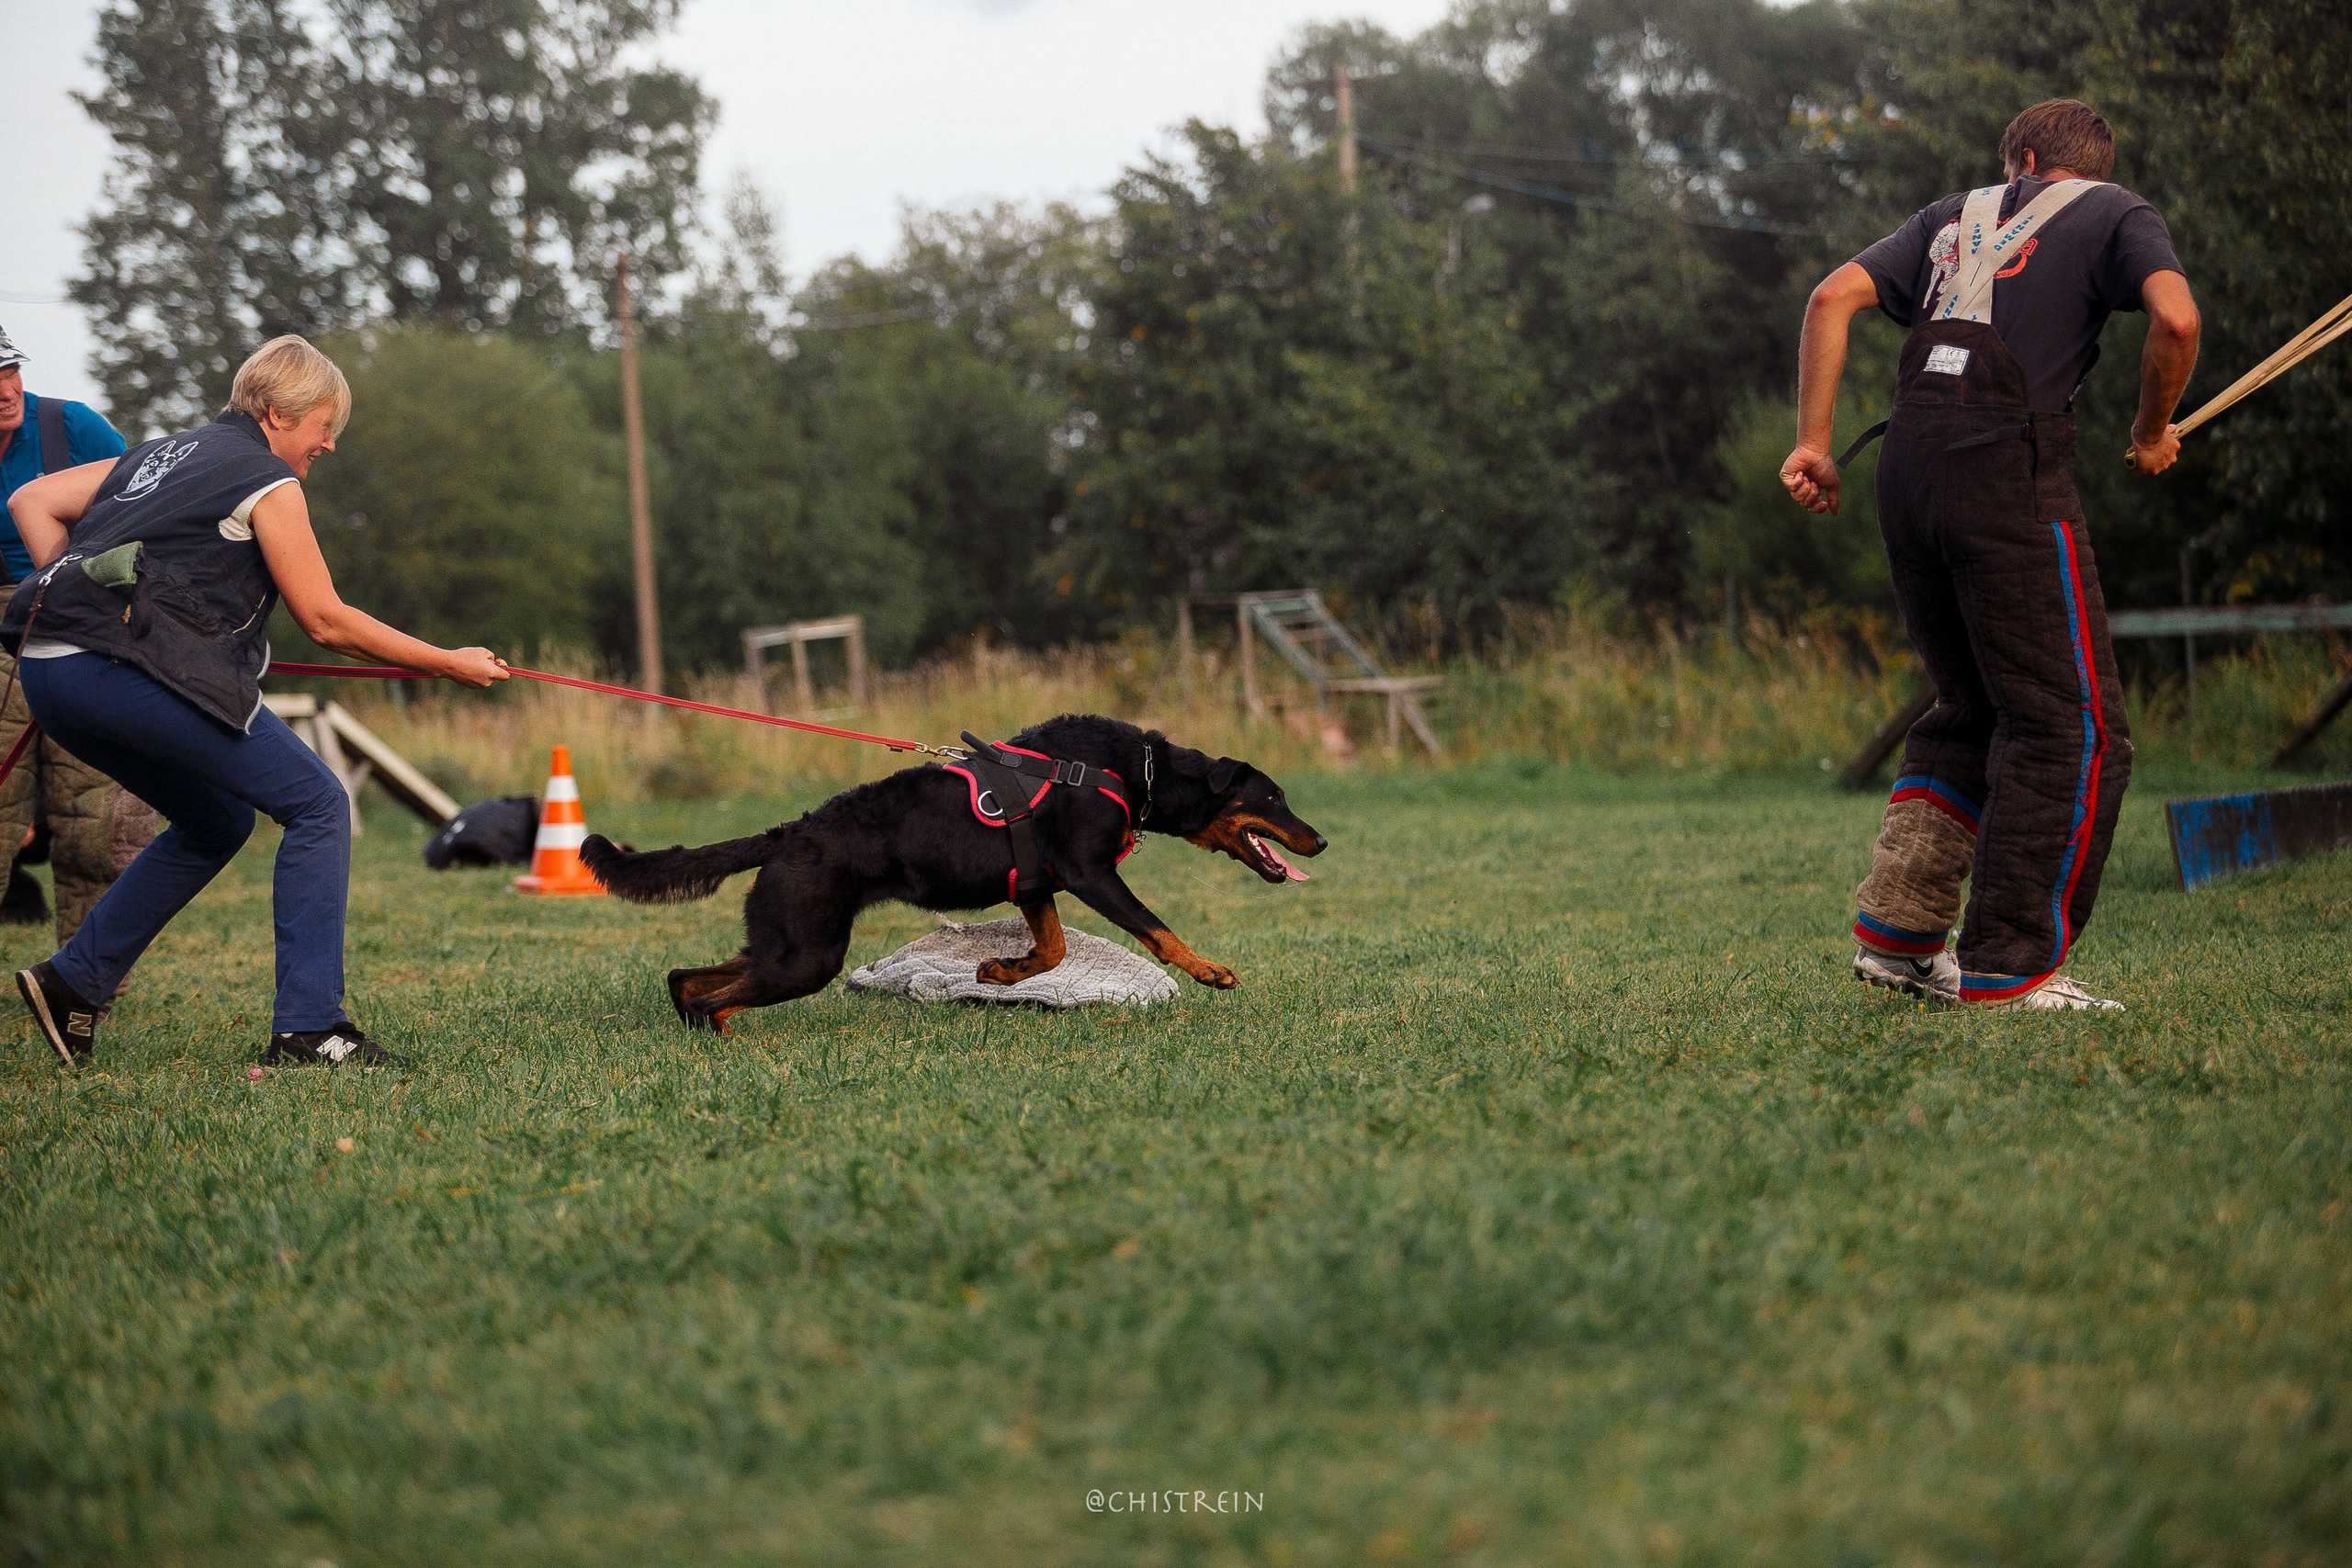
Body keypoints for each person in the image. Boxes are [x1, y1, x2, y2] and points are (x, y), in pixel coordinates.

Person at [1779, 99, 2199, 1011]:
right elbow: (2175, 321)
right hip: (2007, 474)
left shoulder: (1949, 215)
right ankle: (2010, 967)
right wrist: (2150, 430)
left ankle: (1899, 939)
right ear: (2083, 164)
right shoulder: (2119, 210)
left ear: (2025, 158)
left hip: (1906, 471)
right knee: (2068, 726)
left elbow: (1829, 298)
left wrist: (1813, 444)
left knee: (1968, 708)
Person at [4, 334, 508, 1067]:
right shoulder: (266, 478)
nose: (329, 443)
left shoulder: (157, 454)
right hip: (116, 670)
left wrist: (89, 602)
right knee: (319, 803)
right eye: (324, 425)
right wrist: (446, 662)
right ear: (277, 413)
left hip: (49, 672)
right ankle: (310, 1027)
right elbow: (326, 620)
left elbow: (32, 499)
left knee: (217, 820)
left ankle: (73, 981)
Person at [0, 324, 153, 947]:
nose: (5, 389)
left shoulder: (73, 428)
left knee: (97, 808)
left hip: (84, 618)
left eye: (9, 370)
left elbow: (145, 509)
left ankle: (89, 975)